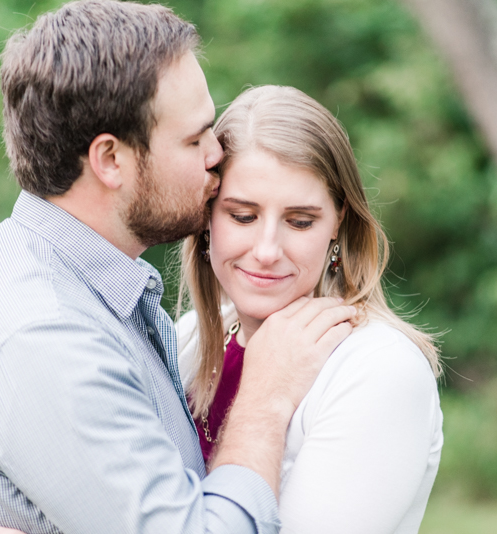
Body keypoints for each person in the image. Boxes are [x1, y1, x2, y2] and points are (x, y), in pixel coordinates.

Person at [0, 2, 354, 534]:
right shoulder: (45, 335)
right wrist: (264, 399)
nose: (218, 154)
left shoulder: (52, 280)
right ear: (111, 160)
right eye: (195, 139)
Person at [176, 85, 444, 533]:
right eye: (242, 216)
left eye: (300, 221)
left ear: (339, 222)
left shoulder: (379, 369)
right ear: (206, 218)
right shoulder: (187, 341)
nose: (266, 250)